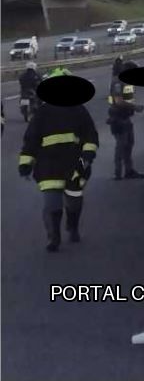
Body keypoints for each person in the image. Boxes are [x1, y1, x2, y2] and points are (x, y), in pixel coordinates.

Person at [18, 67, 98, 252]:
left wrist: (87, 155)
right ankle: (53, 236)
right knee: (52, 204)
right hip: (48, 166)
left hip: (75, 164)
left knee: (74, 200)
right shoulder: (42, 114)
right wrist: (25, 163)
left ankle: (73, 226)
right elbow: (31, 141)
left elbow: (90, 135)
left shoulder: (79, 110)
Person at [107, 62, 144, 180]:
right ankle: (117, 172)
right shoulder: (118, 82)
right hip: (118, 118)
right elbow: (118, 101)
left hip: (125, 117)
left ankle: (129, 171)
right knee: (121, 146)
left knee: (129, 144)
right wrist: (135, 107)